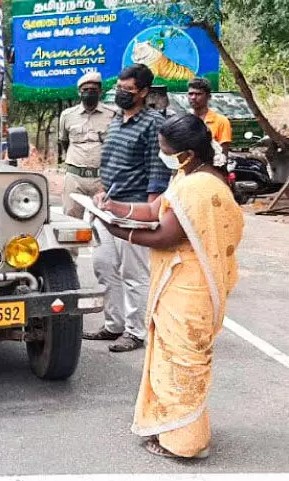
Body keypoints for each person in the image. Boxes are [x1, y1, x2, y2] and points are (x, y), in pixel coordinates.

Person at [93, 113, 243, 459]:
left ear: (186, 153)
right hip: (179, 282)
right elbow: (154, 210)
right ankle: (180, 429)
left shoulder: (199, 187)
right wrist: (113, 207)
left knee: (183, 361)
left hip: (190, 287)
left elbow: (166, 235)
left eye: (165, 149)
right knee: (172, 358)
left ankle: (186, 444)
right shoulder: (187, 175)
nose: (162, 154)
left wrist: (119, 231)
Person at [84, 64, 169, 352]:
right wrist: (102, 192)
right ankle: (114, 325)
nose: (121, 93)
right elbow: (110, 163)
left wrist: (150, 213)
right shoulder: (116, 119)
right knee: (104, 265)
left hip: (135, 209)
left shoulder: (153, 123)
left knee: (134, 274)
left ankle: (135, 332)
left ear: (143, 92)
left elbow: (157, 169)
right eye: (119, 87)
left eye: (127, 89)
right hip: (108, 206)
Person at [59, 71, 116, 219]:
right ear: (79, 92)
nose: (89, 93)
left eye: (93, 90)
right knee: (71, 220)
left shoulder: (113, 115)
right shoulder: (67, 115)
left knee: (102, 221)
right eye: (85, 90)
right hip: (75, 178)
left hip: (101, 179)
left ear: (100, 92)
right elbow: (64, 141)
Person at [188, 78, 233, 156]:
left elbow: (223, 154)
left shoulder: (221, 121)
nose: (193, 97)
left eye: (198, 94)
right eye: (191, 94)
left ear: (208, 96)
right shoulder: (184, 120)